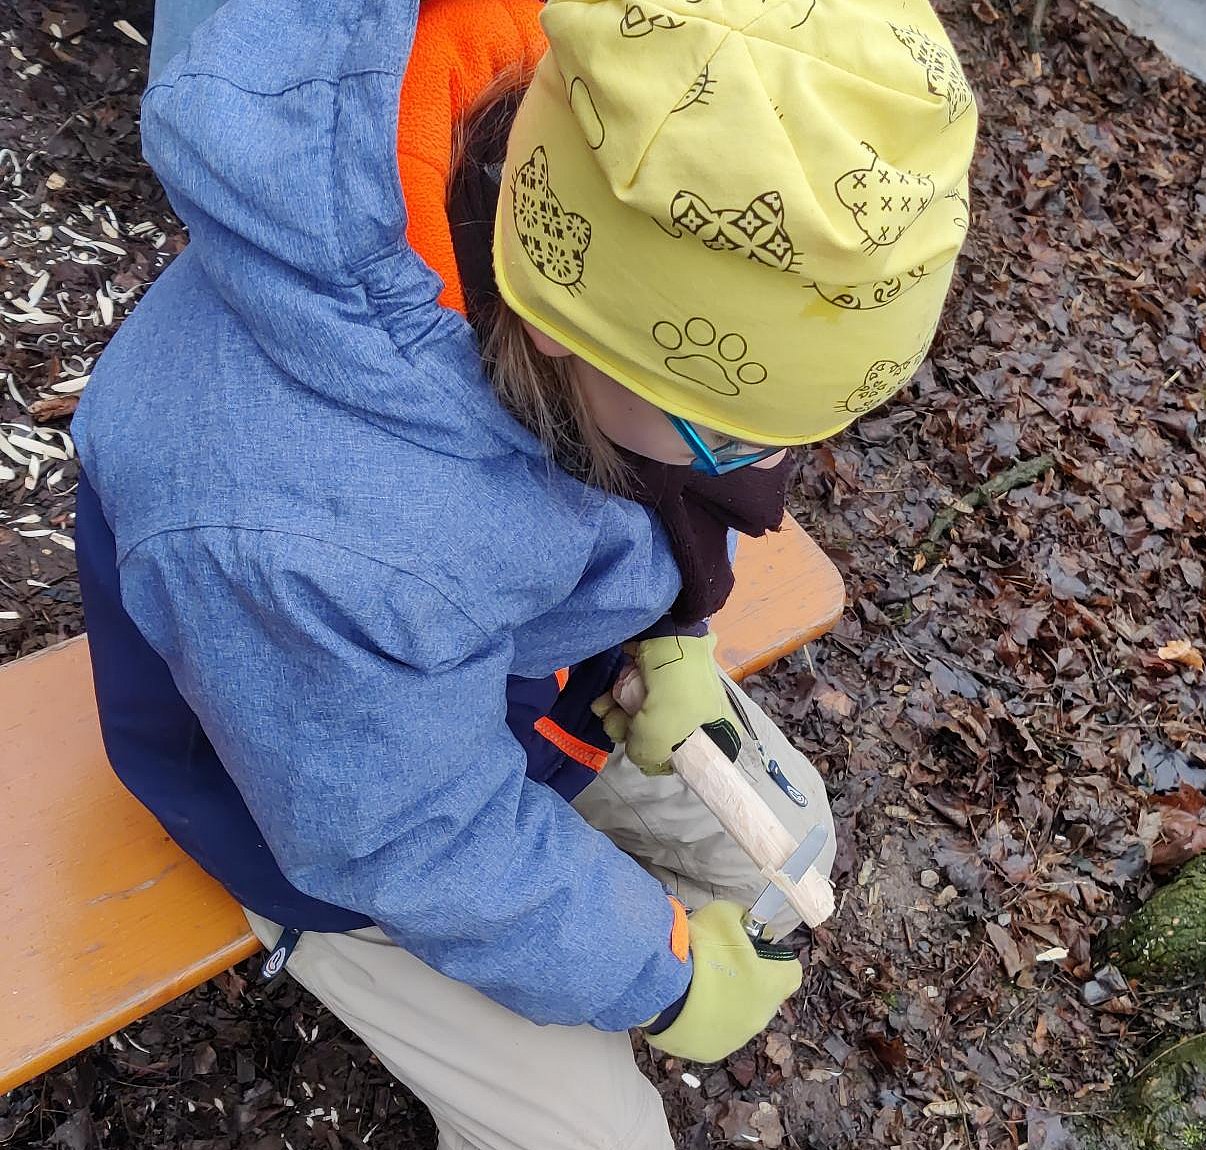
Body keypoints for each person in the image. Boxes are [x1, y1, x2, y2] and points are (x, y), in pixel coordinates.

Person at [75, 0, 977, 1146]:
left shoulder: (604, 198)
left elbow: (632, 489)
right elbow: (407, 835)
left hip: (479, 672)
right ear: (564, 330)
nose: (767, 472)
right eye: (733, 438)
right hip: (295, 787)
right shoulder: (313, 535)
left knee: (784, 847)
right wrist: (658, 972)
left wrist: (669, 640)